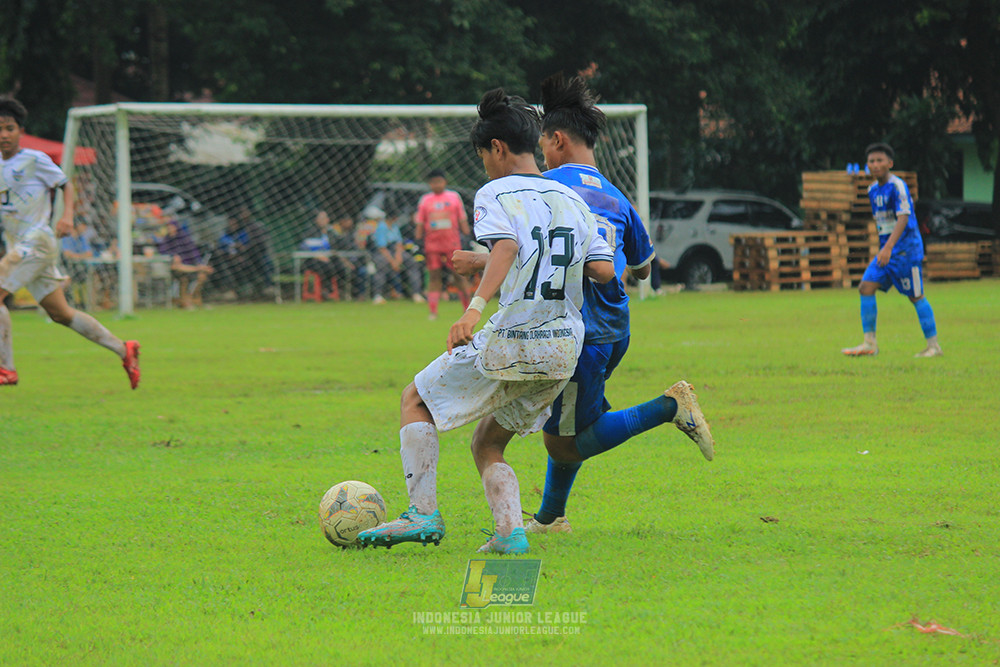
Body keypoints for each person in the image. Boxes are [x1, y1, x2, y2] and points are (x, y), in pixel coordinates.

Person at [357, 88, 615, 554]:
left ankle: (422, 514)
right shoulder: (573, 199)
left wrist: (474, 306)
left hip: (513, 338)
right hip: (562, 348)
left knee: (415, 399)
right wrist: (490, 263)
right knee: (488, 442)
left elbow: (509, 247)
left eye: (483, 156)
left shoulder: (496, 191)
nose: (485, 166)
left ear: (496, 148)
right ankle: (510, 534)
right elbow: (602, 270)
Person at [454, 74, 715, 535]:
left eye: (542, 143)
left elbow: (525, 246)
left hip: (574, 329)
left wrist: (478, 260)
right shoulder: (617, 196)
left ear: (555, 140)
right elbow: (642, 269)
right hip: (614, 328)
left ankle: (668, 407)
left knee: (566, 444)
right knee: (570, 419)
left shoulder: (544, 186)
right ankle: (552, 516)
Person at [0, 96, 140, 389]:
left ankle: (6, 369)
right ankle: (123, 349)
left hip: (37, 242)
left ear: (20, 130)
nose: (3, 134)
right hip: (18, 246)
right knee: (60, 313)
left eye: (9, 128)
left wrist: (67, 216)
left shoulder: (34, 159)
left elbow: (66, 183)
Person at [842, 143, 942, 358]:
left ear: (890, 163)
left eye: (880, 160)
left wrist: (888, 247)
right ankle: (869, 344)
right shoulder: (871, 190)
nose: (875, 164)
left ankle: (934, 347)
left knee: (916, 296)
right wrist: (884, 248)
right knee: (865, 287)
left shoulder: (898, 186)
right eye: (871, 161)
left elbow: (903, 217)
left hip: (905, 251)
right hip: (886, 252)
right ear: (867, 165)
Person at [414, 168, 472, 319]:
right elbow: (420, 222)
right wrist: (417, 240)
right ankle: (433, 311)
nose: (436, 185)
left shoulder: (453, 197)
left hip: (452, 243)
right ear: (429, 184)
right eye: (433, 182)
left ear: (445, 182)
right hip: (432, 244)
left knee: (459, 275)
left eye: (439, 181)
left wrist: (467, 236)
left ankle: (467, 309)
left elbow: (462, 218)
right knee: (434, 276)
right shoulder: (426, 200)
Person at [369, 206, 424, 305]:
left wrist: (398, 258)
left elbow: (399, 244)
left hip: (396, 251)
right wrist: (393, 261)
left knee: (412, 263)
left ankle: (416, 293)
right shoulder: (381, 227)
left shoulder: (394, 227)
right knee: (381, 266)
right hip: (384, 252)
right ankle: (378, 295)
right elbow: (382, 247)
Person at [156, 219, 214, 309]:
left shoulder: (184, 239)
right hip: (175, 269)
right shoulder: (166, 240)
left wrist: (198, 263)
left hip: (189, 266)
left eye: (172, 227)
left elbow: (194, 254)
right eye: (168, 227)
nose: (170, 229)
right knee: (180, 271)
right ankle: (187, 302)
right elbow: (162, 252)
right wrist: (173, 255)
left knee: (201, 277)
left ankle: (192, 301)